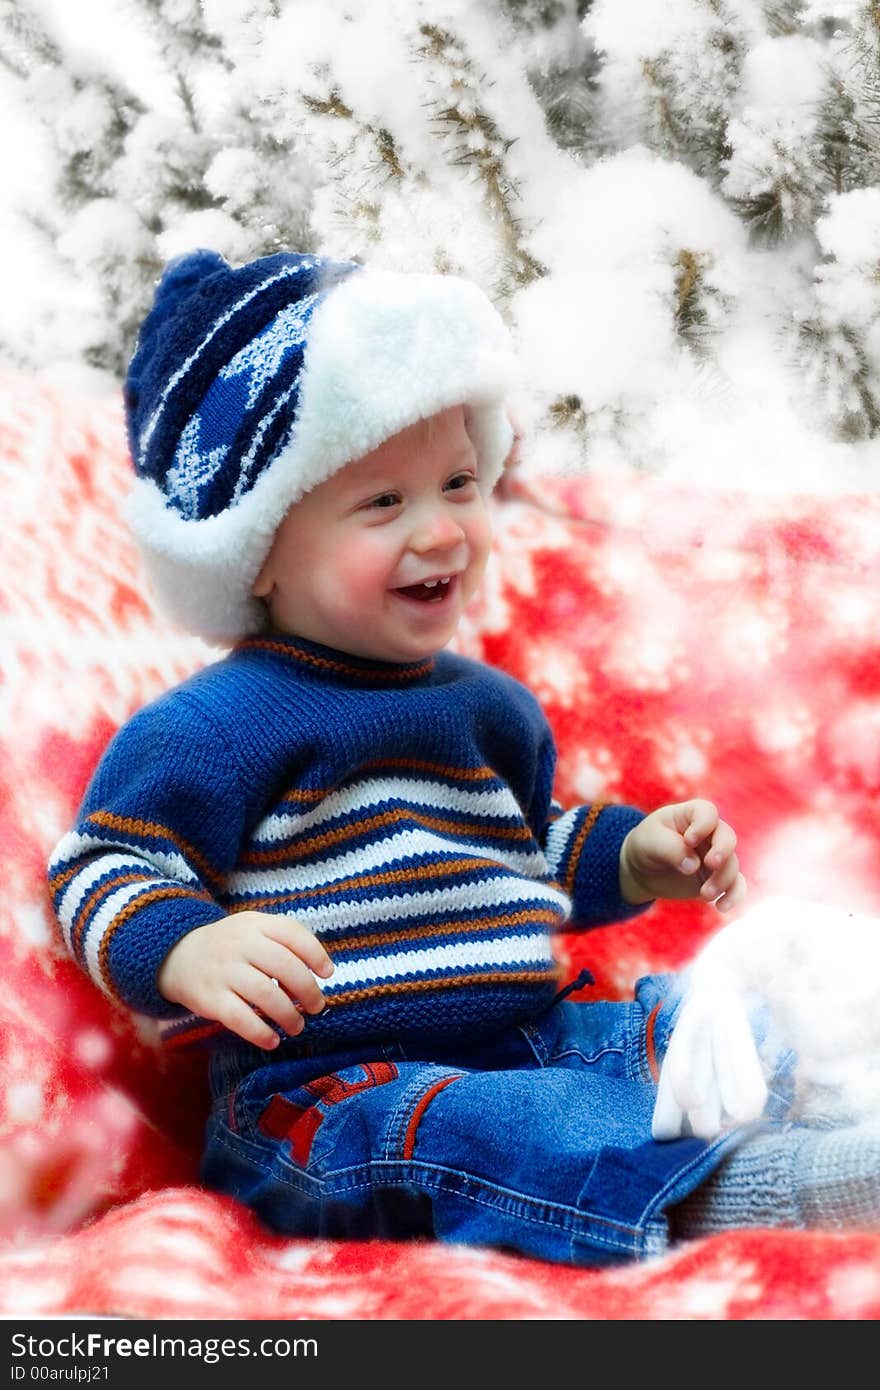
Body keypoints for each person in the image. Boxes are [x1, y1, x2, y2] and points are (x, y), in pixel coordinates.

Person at [48, 250, 880, 1265]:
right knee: (484, 1127)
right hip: (330, 1094)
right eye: (383, 503)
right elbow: (101, 867)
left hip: (524, 1034)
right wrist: (187, 947)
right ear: (258, 545)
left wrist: (632, 856)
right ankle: (769, 1189)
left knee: (677, 1028)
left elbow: (525, 851)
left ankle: (834, 1098)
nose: (441, 530)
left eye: (456, 483)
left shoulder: (490, 708)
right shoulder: (217, 724)